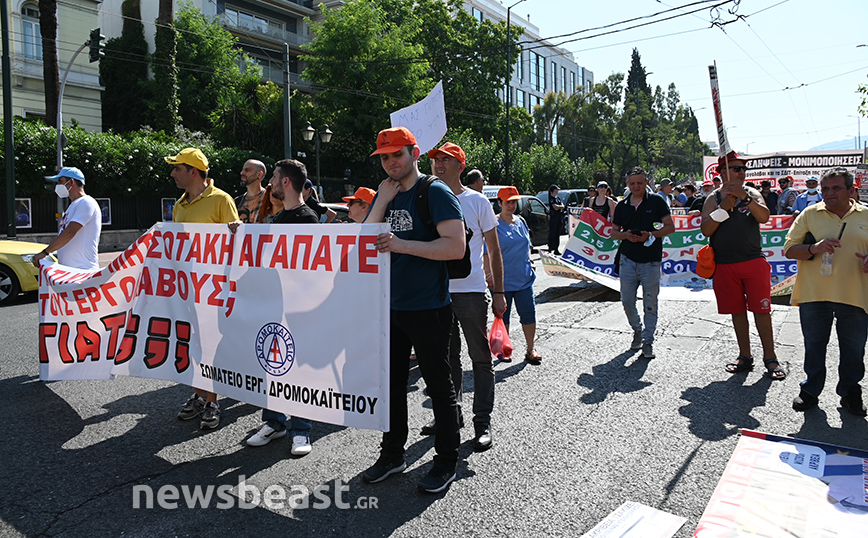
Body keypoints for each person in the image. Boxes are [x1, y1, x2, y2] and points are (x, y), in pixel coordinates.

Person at [362, 126, 464, 493]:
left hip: (429, 307)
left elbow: (455, 247)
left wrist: (402, 245)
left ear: (414, 153)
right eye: (384, 157)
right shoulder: (385, 194)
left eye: (397, 154)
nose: (390, 162)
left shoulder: (434, 191)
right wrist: (380, 202)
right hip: (389, 306)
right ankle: (392, 455)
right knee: (390, 385)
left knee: (439, 386)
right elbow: (362, 242)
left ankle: (446, 461)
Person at [423, 142, 505, 452]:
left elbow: (494, 250)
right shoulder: (428, 199)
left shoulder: (477, 201)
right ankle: (450, 415)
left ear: (460, 166)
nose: (438, 164)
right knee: (446, 360)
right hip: (437, 293)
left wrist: (498, 292)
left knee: (480, 359)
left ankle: (482, 421)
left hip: (470, 292)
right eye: (435, 160)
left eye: (446, 160)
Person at [246, 159, 319, 455]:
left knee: (296, 368)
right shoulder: (279, 219)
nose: (271, 183)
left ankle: (301, 431)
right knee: (271, 363)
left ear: (286, 182)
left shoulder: (307, 219)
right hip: (275, 303)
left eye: (274, 178)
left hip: (298, 307)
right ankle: (274, 422)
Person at [165, 147, 241, 429]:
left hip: (214, 290)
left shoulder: (221, 200)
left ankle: (213, 401)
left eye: (177, 168)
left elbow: (236, 242)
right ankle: (200, 395)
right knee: (193, 344)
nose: (172, 173)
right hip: (188, 289)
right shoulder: (180, 205)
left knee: (211, 345)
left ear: (193, 172)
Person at [783, 167, 868, 415]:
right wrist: (814, 248)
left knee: (854, 350)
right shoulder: (810, 214)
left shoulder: (866, 215)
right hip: (814, 294)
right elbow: (789, 249)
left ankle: (850, 392)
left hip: (855, 295)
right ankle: (810, 390)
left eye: (836, 188)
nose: (829, 193)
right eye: (825, 189)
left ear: (851, 190)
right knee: (814, 346)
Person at [700, 151, 784, 380]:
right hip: (725, 264)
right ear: (723, 172)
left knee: (762, 311)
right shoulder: (713, 198)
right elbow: (706, 230)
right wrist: (723, 209)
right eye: (736, 168)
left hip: (753, 261)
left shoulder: (752, 193)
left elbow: (764, 217)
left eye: (743, 169)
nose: (741, 172)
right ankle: (745, 356)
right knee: (737, 312)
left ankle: (770, 357)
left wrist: (744, 198)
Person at [611, 167, 675, 359]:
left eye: (640, 183)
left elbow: (670, 227)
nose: (636, 186)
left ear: (646, 182)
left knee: (650, 303)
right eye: (632, 183)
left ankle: (648, 341)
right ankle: (637, 330)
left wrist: (651, 235)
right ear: (627, 184)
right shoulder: (622, 205)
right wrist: (626, 235)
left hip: (651, 261)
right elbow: (614, 233)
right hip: (628, 259)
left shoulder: (657, 201)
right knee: (626, 300)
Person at [496, 186, 542, 364]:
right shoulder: (493, 224)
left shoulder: (521, 221)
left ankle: (531, 349)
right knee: (503, 317)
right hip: (503, 281)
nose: (511, 205)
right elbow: (487, 251)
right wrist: (489, 274)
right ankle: (505, 349)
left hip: (524, 278)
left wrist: (530, 261)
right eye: (507, 202)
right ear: (499, 203)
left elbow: (527, 245)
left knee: (529, 314)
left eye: (514, 202)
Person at [32, 167, 101, 271]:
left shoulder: (86, 202)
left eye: (60, 181)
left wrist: (45, 253)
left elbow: (69, 232)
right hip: (72, 271)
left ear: (71, 182)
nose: (57, 185)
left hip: (83, 271)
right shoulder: (74, 205)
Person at [547, 184, 565, 255]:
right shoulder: (551, 198)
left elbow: (563, 206)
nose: (558, 191)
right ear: (554, 190)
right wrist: (560, 206)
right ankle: (550, 248)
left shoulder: (557, 198)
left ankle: (556, 249)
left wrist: (559, 206)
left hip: (559, 217)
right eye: (557, 189)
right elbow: (555, 207)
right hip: (553, 217)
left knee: (557, 233)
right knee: (552, 233)